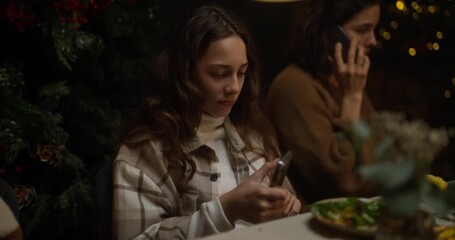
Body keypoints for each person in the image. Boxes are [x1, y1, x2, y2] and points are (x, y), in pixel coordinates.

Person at [112, 5, 301, 240]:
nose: (234, 87)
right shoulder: (144, 152)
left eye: (241, 72)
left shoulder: (253, 131)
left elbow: (287, 217)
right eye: (220, 74)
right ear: (184, 73)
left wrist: (287, 208)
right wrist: (224, 210)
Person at [265, 0, 381, 203]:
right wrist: (352, 98)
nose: (373, 40)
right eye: (363, 29)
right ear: (329, 31)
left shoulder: (345, 82)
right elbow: (341, 183)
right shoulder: (294, 87)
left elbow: (382, 165)